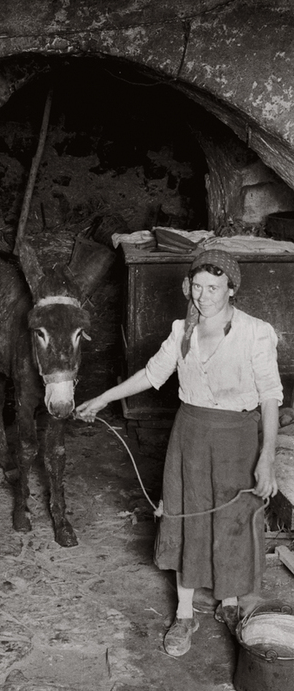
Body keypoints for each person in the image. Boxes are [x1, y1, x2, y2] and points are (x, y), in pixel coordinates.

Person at [75, 249, 282, 657]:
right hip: (189, 435)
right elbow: (151, 375)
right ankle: (185, 614)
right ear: (189, 286)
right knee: (186, 516)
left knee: (234, 521)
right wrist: (101, 399)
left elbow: (271, 398)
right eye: (198, 287)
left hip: (239, 437)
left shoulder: (256, 332)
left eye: (214, 288)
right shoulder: (182, 331)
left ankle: (228, 604)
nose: (204, 297)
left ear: (231, 290)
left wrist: (266, 458)